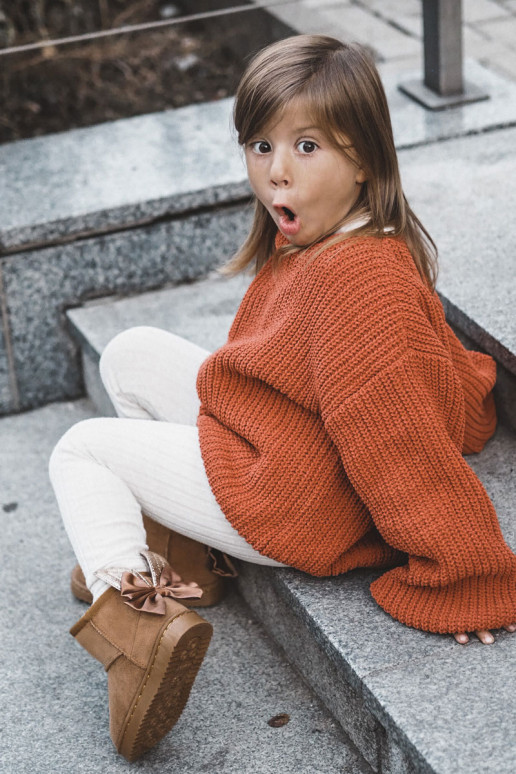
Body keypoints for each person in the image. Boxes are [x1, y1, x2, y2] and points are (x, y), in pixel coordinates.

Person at [48, 34, 516, 762]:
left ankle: (135, 627)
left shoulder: (356, 281)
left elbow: (399, 441)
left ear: (363, 158)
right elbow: (424, 367)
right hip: (283, 449)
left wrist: (466, 570)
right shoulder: (356, 239)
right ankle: (185, 556)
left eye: (306, 147)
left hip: (290, 506)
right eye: (261, 146)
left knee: (80, 452)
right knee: (134, 352)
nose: (276, 175)